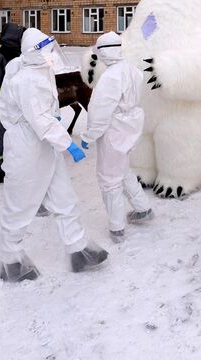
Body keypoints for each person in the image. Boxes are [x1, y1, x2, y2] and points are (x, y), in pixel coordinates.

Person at [0, 28, 108, 282]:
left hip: (46, 142)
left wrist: (57, 126)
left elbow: (47, 112)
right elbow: (40, 120)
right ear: (33, 52)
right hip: (27, 145)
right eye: (45, 49)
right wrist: (68, 143)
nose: (50, 54)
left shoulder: (41, 68)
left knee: (64, 197)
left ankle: (78, 249)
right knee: (20, 204)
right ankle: (10, 260)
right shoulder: (24, 79)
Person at [80, 32, 154, 243]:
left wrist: (88, 135)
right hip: (130, 127)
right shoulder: (131, 69)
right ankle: (143, 209)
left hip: (114, 131)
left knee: (109, 178)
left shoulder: (110, 77)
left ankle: (117, 227)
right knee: (123, 171)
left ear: (104, 51)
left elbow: (100, 112)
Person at [0, 22, 24, 184]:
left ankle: (13, 166)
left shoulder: (19, 55)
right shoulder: (0, 57)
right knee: (4, 137)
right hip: (5, 106)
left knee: (18, 138)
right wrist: (2, 105)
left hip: (19, 105)